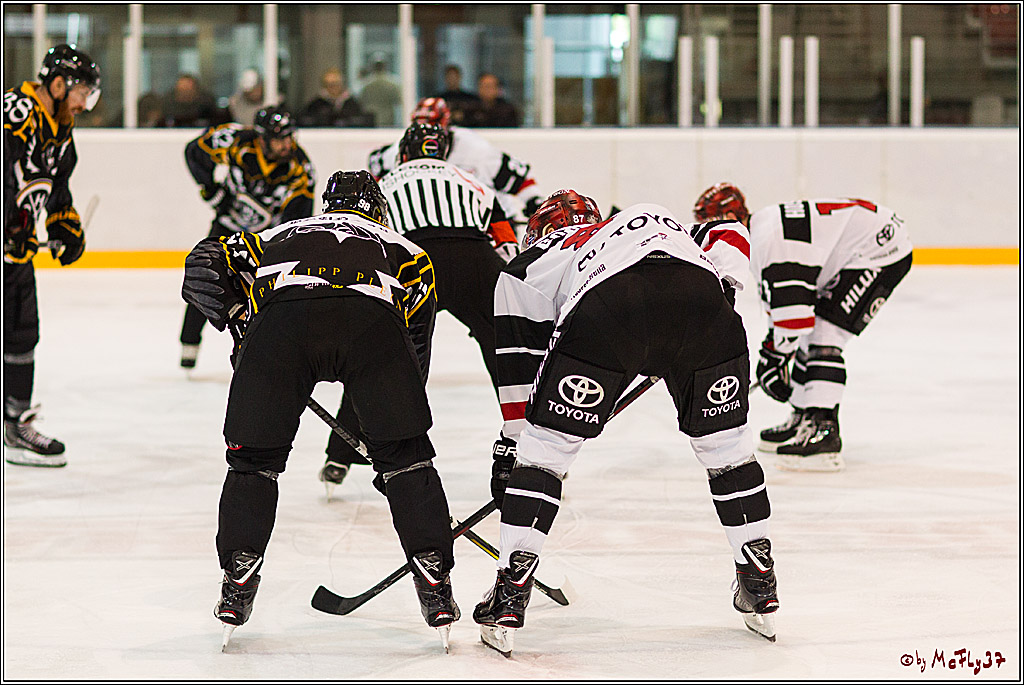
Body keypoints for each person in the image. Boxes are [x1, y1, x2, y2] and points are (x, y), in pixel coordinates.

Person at [475, 190, 779, 656]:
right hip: (704, 305)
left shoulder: (534, 258)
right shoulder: (644, 222)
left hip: (609, 309)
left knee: (546, 453)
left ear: (540, 230)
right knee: (726, 450)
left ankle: (511, 591)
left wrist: (519, 444)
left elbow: (520, 364)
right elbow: (730, 231)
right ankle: (759, 580)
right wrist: (723, 298)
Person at [181, 170, 460, 651]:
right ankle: (433, 577)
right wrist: (395, 439)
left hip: (284, 325)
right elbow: (415, 347)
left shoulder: (277, 234)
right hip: (371, 325)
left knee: (253, 461)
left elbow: (202, 263)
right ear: (377, 209)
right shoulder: (407, 250)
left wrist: (238, 323)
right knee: (409, 461)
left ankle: (238, 577)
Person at [318, 123, 519, 496]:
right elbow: (505, 237)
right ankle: (533, 450)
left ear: (404, 152)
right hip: (478, 261)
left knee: (389, 356)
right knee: (508, 354)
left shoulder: (385, 182)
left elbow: (366, 235)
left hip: (415, 260)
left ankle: (342, 455)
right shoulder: (470, 178)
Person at [693, 183, 913, 472]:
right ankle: (803, 416)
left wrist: (774, 358)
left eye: (711, 226)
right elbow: (785, 311)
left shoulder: (766, 239)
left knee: (825, 333)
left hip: (881, 249)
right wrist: (774, 354)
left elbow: (794, 316)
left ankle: (824, 429)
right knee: (812, 332)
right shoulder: (762, 232)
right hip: (859, 248)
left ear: (732, 216)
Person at [3, 44, 101, 468]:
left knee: (23, 332)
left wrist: (64, 228)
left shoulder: (61, 134)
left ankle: (14, 424)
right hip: (11, 244)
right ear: (58, 84)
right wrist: (10, 225)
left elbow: (56, 189)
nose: (84, 104)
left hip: (13, 255)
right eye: (82, 92)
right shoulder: (15, 113)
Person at [178, 106, 315, 370]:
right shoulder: (236, 141)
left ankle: (265, 349)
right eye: (280, 138)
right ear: (262, 138)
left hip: (264, 239)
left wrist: (280, 249)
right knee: (205, 277)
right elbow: (194, 152)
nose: (287, 144)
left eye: (290, 137)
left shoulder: (301, 169)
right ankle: (189, 343)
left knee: (267, 293)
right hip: (227, 225)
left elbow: (299, 220)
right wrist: (211, 188)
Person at [367, 98, 543, 225]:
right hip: (441, 224)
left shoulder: (476, 150)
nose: (426, 132)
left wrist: (533, 202)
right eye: (419, 126)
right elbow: (376, 168)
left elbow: (519, 177)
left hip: (492, 225)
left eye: (432, 124)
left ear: (445, 123)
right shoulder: (400, 149)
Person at [299, 68, 371, 127]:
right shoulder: (316, 104)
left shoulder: (352, 103)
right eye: (329, 84)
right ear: (324, 85)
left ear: (342, 84)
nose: (333, 87)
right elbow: (306, 120)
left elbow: (361, 121)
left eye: (336, 84)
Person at [359, 60, 402, 127]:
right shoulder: (392, 84)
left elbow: (361, 101)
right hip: (387, 118)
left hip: (371, 118)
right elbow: (398, 101)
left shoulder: (366, 84)